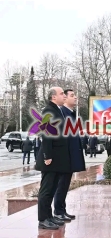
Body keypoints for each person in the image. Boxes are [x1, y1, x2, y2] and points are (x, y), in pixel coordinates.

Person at [35, 86, 71, 229]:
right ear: (53, 97)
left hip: (57, 159)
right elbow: (46, 134)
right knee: (46, 189)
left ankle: (49, 216)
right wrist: (47, 155)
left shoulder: (57, 110)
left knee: (52, 189)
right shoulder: (48, 110)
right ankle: (43, 219)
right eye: (62, 94)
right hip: (50, 158)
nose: (64, 96)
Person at [53, 88, 86, 222]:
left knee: (65, 184)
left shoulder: (70, 114)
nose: (75, 97)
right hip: (65, 156)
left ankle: (62, 210)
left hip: (71, 155)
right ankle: (58, 211)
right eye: (72, 95)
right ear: (65, 98)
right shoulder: (62, 113)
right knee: (61, 185)